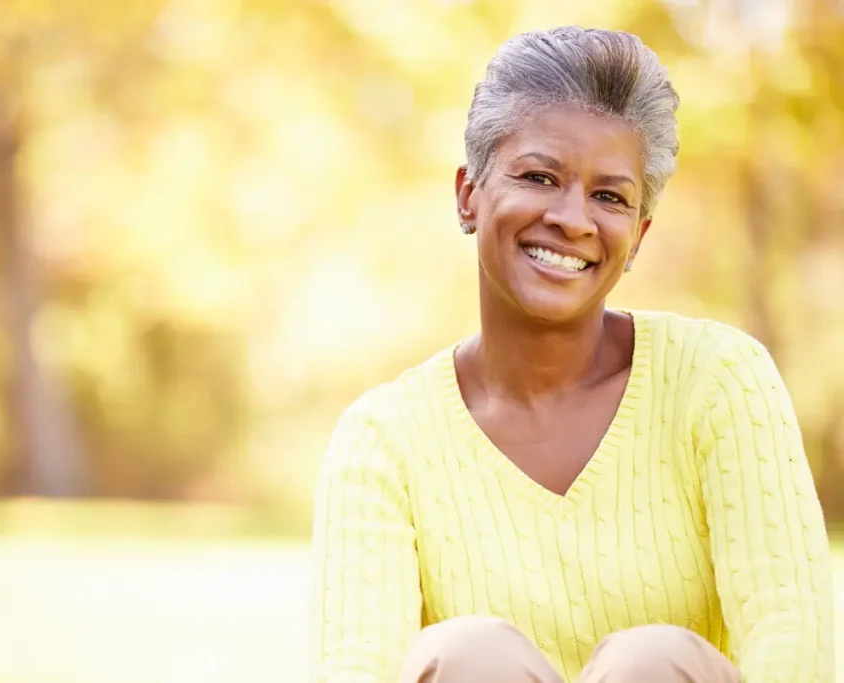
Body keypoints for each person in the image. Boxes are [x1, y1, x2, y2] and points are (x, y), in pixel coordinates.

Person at [308, 26, 835, 683]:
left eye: (609, 196)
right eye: (539, 176)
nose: (574, 219)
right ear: (468, 193)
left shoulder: (720, 379)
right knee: (474, 654)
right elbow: (354, 667)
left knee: (653, 660)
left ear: (637, 235)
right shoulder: (383, 441)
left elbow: (794, 635)